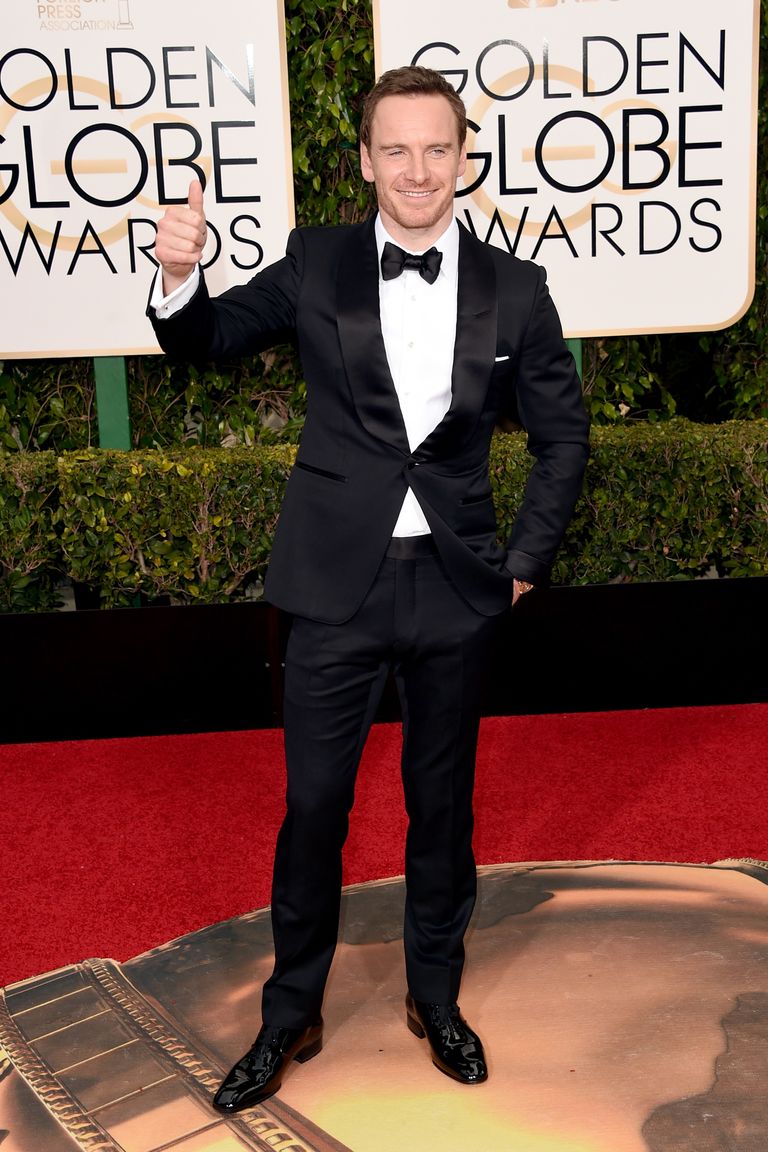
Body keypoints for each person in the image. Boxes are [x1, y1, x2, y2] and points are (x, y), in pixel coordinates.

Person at [148, 64, 589, 1112]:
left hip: (456, 589)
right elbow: (208, 340)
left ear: (465, 159)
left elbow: (564, 438)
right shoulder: (317, 261)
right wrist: (179, 276)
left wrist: (523, 564)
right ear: (364, 161)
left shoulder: (517, 289)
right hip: (332, 589)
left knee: (442, 808)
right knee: (313, 807)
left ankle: (435, 996)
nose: (417, 170)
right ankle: (289, 1012)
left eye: (437, 148)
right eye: (396, 148)